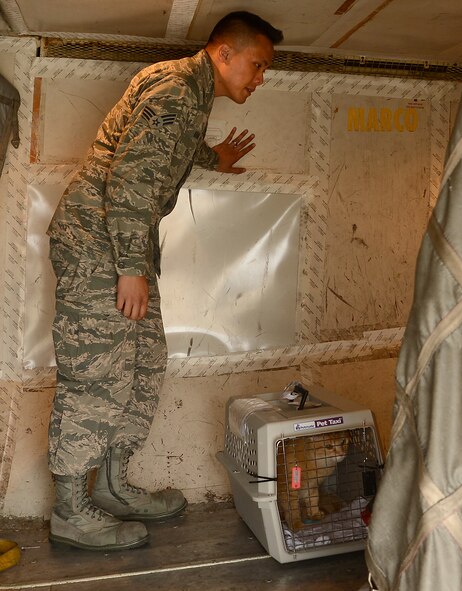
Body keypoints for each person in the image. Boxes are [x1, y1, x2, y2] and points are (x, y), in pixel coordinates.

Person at [45, 11, 283, 551]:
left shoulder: (190, 94)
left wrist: (211, 159)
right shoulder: (177, 89)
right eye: (258, 64)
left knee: (142, 365)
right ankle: (69, 510)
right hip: (99, 247)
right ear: (225, 52)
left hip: (122, 247)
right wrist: (131, 268)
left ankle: (109, 486)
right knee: (95, 372)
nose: (260, 77)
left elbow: (158, 152)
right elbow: (130, 177)